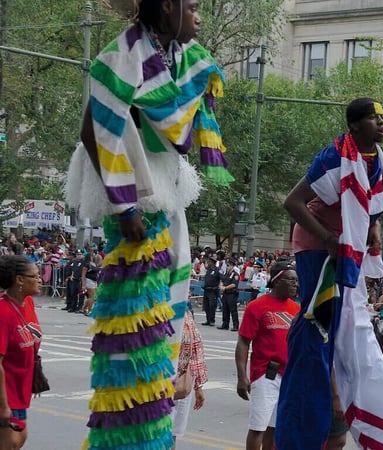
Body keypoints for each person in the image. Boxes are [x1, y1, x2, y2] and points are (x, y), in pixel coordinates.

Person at [74, 1, 233, 448]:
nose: (200, 17)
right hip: (135, 197)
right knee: (135, 323)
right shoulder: (122, 55)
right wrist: (124, 208)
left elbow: (182, 125)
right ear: (168, 5)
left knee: (165, 317)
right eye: (194, 7)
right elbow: (95, 129)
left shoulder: (183, 57)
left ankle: (155, 433)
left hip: (166, 195)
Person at [277, 97, 383, 449]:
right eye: (372, 118)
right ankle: (310, 416)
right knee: (318, 327)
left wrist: (374, 228)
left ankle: (347, 407)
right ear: (354, 126)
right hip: (319, 247)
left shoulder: (375, 158)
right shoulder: (334, 157)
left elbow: (373, 203)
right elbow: (292, 202)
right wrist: (328, 238)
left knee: (343, 330)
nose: (381, 123)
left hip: (346, 249)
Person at [235, 262, 299, 450]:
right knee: (258, 428)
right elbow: (243, 342)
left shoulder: (296, 309)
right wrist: (241, 376)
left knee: (275, 428)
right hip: (266, 374)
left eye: (296, 281)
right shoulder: (257, 306)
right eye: (291, 280)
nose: (295, 284)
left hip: (288, 377)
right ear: (277, 281)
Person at [0, 256, 41, 449]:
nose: (40, 279)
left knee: (16, 442)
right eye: (35, 276)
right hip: (6, 396)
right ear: (20, 280)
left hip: (20, 392)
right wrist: (2, 406)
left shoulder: (28, 303)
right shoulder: (3, 311)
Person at [172, 309, 207, 449]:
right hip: (159, 382)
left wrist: (198, 386)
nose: (189, 293)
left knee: (172, 433)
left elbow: (196, 350)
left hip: (183, 382)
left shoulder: (186, 314)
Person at [219, 259, 241, 331]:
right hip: (225, 294)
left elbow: (234, 284)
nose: (227, 267)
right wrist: (221, 286)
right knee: (225, 309)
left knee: (233, 310)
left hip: (231, 294)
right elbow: (222, 280)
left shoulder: (235, 275)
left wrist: (225, 288)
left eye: (228, 266)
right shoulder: (226, 274)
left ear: (232, 266)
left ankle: (235, 325)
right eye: (227, 266)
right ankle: (225, 324)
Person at [201, 257, 221, 326]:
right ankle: (208, 320)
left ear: (212, 263)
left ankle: (212, 320)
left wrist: (217, 287)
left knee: (212, 306)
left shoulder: (217, 270)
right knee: (206, 306)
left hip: (213, 291)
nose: (207, 263)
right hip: (206, 290)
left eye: (208, 262)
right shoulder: (208, 270)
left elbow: (221, 279)